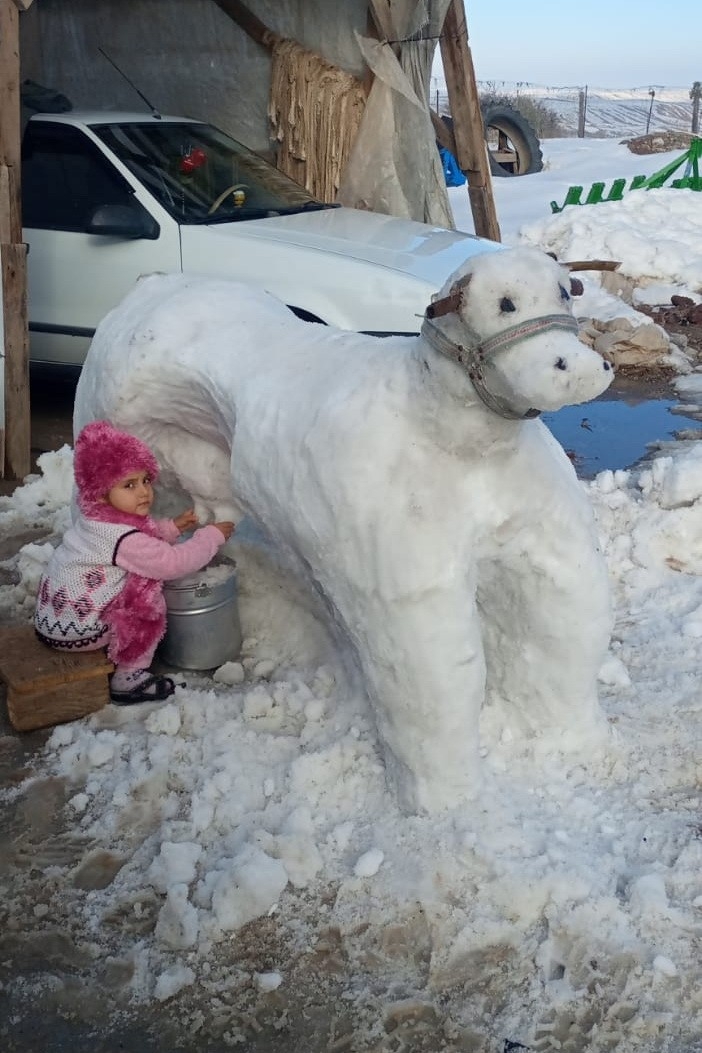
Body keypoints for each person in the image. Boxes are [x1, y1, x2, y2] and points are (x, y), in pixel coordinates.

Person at [34, 420, 235, 705]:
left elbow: (138, 539)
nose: (144, 492)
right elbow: (171, 563)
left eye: (145, 480)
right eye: (129, 485)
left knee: (139, 572)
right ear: (102, 492)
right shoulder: (123, 538)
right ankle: (129, 676)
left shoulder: (95, 519)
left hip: (52, 623)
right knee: (147, 589)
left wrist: (172, 528)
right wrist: (210, 537)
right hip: (82, 633)